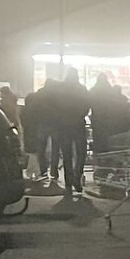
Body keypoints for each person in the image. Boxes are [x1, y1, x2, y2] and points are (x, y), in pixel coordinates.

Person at [54, 67, 90, 198]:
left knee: (67, 153)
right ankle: (77, 177)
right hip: (78, 124)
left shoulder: (60, 90)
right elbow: (87, 105)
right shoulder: (82, 89)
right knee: (81, 153)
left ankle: (68, 182)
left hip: (63, 124)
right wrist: (80, 115)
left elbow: (55, 105)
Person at [20, 78, 61, 183]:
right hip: (55, 125)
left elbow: (33, 109)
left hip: (42, 124)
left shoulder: (39, 95)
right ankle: (54, 171)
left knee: (41, 149)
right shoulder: (57, 96)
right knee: (55, 149)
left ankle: (43, 170)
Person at [87, 73, 130, 155]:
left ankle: (98, 154)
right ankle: (106, 154)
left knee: (98, 139)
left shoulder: (93, 90)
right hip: (108, 120)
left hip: (97, 119)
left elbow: (88, 104)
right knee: (108, 140)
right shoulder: (110, 91)